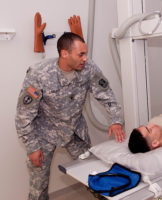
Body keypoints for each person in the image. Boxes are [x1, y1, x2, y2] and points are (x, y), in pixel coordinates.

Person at [15, 32, 125, 200]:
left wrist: (116, 120)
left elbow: (107, 95)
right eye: (80, 54)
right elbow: (24, 115)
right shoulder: (39, 74)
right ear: (64, 54)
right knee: (38, 187)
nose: (85, 58)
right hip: (43, 134)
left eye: (86, 53)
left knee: (94, 175)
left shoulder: (89, 69)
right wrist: (32, 147)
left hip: (75, 131)